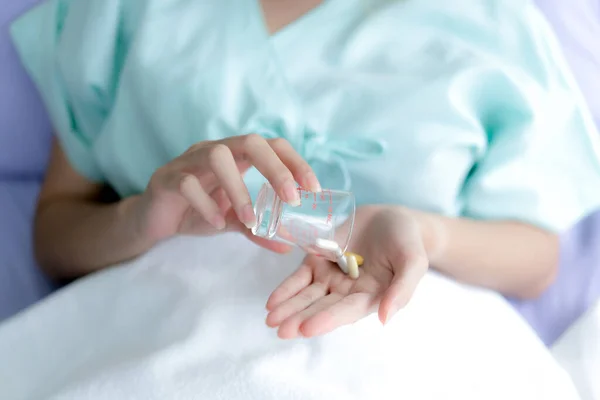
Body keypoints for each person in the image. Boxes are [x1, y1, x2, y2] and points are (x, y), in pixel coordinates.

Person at [10, 0, 600, 342]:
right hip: (162, 336)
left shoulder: (491, 21)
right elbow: (55, 232)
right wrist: (141, 217)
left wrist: (423, 233)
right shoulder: (127, 11)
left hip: (416, 348)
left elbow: (537, 261)